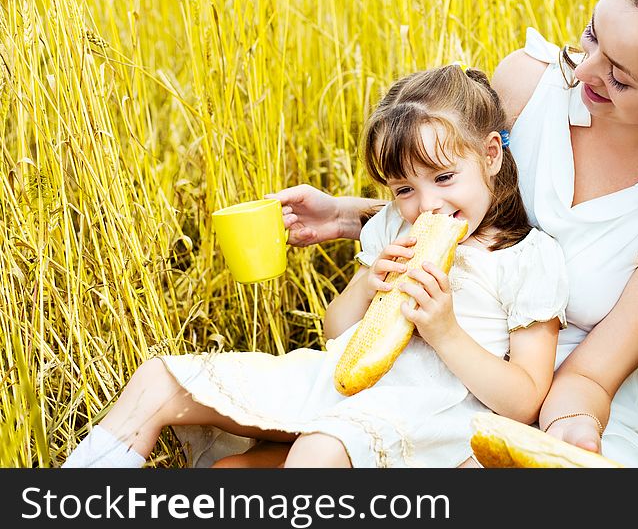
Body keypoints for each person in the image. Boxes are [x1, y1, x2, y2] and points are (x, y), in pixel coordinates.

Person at [265, 0, 638, 467]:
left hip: (558, 408)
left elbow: (588, 377)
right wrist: (347, 215)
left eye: (619, 76)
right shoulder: (525, 84)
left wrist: (571, 435)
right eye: (591, 35)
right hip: (434, 381)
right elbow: (473, 220)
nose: (585, 71)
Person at [60, 64, 567, 469]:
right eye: (405, 188)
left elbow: (524, 400)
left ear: (492, 155)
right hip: (339, 384)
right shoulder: (396, 226)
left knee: (316, 452)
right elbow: (338, 332)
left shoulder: (525, 257)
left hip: (431, 417)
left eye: (444, 177)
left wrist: (445, 330)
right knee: (157, 382)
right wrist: (369, 286)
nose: (426, 204)